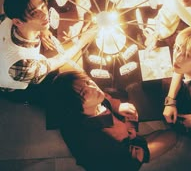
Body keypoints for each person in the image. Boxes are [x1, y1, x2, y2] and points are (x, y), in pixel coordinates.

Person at [48, 70, 177, 171]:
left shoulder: (91, 103)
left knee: (156, 133)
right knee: (172, 136)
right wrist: (138, 153)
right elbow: (119, 165)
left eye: (87, 82)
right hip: (124, 158)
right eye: (84, 93)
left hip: (126, 138)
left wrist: (117, 105)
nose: (93, 88)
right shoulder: (98, 139)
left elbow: (104, 97)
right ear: (74, 107)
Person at [0, 0, 95, 104]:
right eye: (34, 13)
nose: (44, 15)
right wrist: (83, 41)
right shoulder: (23, 64)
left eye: (43, 6)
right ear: (18, 21)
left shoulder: (8, 19)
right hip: (15, 86)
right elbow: (56, 61)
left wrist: (42, 29)